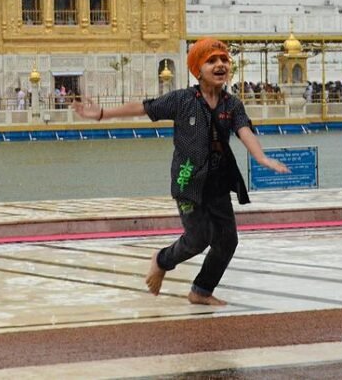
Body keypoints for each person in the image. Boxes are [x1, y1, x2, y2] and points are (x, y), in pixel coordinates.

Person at [73, 37, 289, 306]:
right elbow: (143, 107)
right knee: (198, 238)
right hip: (188, 180)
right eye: (212, 61)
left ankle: (201, 290)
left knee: (227, 240)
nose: (220, 64)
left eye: (224, 60)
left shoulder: (232, 105)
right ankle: (162, 260)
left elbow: (245, 131)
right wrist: (102, 114)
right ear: (197, 69)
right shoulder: (182, 100)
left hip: (218, 182)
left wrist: (262, 158)